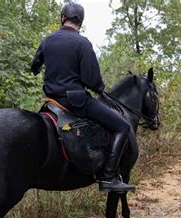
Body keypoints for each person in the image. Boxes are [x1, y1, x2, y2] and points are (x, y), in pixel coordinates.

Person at [30, 2, 135, 193]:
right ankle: (109, 177)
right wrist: (99, 88)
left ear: (63, 18)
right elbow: (91, 80)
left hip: (52, 103)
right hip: (75, 102)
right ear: (81, 21)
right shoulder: (82, 43)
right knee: (122, 126)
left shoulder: (48, 40)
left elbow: (34, 67)